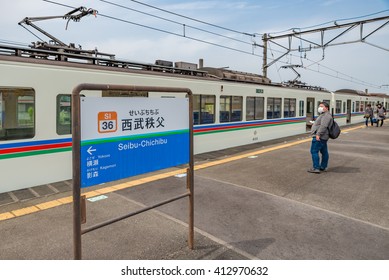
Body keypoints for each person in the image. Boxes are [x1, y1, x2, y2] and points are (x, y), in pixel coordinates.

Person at [308, 101, 333, 174]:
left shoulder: (326, 116)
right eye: (319, 106)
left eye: (322, 106)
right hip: (323, 137)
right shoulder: (324, 115)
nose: (320, 108)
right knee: (324, 152)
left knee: (314, 151)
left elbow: (323, 126)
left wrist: (318, 134)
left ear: (326, 108)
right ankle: (323, 166)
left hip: (320, 137)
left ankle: (316, 168)